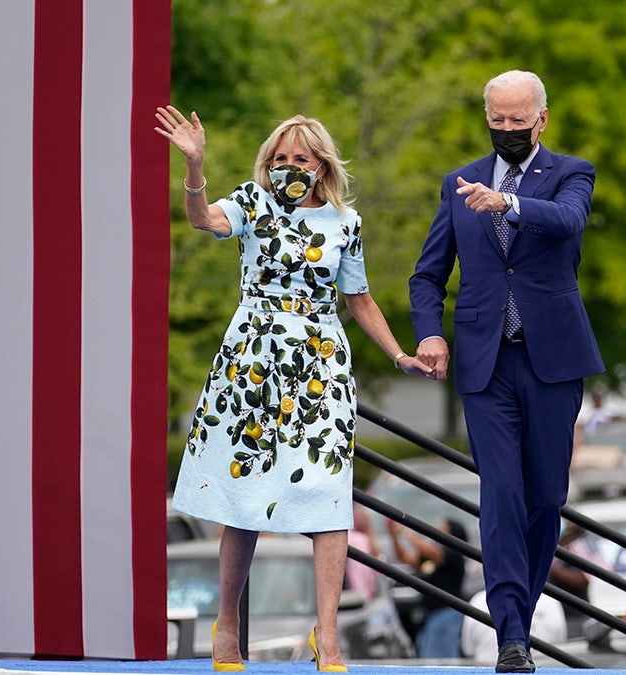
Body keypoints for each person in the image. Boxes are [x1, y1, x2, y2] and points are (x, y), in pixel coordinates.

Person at [155, 106, 433, 672]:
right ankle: (227, 622)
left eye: (299, 159)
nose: (287, 167)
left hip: (321, 361)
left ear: (322, 165)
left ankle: (326, 636)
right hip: (254, 360)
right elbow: (203, 220)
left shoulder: (345, 223)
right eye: (279, 159)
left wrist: (399, 354)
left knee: (330, 497)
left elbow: (359, 299)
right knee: (244, 496)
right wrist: (194, 166)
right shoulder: (251, 203)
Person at [409, 70, 603, 673]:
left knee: (546, 498)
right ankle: (511, 636)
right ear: (487, 116)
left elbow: (568, 221)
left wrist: (510, 203)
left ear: (541, 118)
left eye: (519, 121)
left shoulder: (572, 172)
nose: (509, 131)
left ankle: (523, 607)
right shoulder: (457, 183)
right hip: (486, 364)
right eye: (499, 121)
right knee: (501, 493)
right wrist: (431, 331)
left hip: (552, 359)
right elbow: (427, 275)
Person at [387, 518, 469, 658]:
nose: (437, 531)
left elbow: (431, 552)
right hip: (429, 617)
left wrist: (405, 530)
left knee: (440, 661)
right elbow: (405, 557)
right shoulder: (434, 557)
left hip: (446, 616)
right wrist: (393, 534)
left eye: (443, 529)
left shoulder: (454, 555)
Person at [460, 590, 566, 663]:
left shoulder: (478, 600)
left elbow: (468, 650)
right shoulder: (551, 602)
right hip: (540, 667)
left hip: (491, 667)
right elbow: (561, 643)